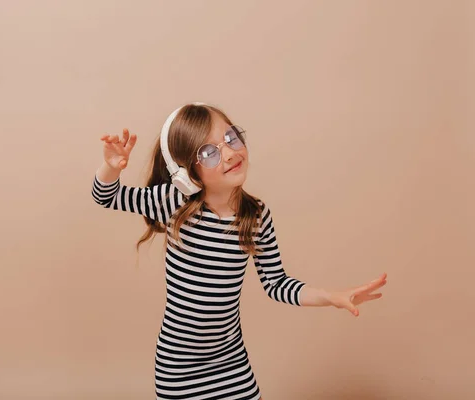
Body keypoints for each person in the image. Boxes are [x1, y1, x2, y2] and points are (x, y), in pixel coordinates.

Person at [91, 102, 387, 400]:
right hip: (178, 366)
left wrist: (331, 297)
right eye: (209, 152)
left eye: (231, 138)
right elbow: (106, 197)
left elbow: (276, 284)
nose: (231, 153)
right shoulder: (173, 201)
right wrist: (111, 167)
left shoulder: (256, 216)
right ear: (185, 173)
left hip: (230, 361)